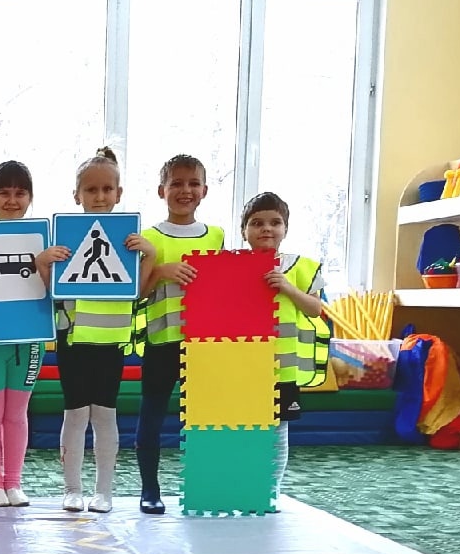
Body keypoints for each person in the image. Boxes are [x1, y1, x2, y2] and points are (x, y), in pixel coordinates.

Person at [0, 160, 69, 508]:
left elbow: (60, 294)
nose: (12, 200)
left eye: (20, 193)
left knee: (17, 415)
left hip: (28, 342)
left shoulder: (45, 243)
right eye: (3, 192)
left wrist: (46, 264)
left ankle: (14, 482)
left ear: (30, 198)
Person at [56, 148, 154, 513]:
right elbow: (52, 290)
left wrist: (150, 256)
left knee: (105, 415)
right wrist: (48, 262)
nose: (99, 197)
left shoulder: (129, 242)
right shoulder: (65, 239)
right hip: (73, 339)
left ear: (118, 193)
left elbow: (138, 292)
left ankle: (104, 492)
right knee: (75, 414)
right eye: (91, 189)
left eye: (107, 189)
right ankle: (72, 489)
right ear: (77, 195)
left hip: (111, 340)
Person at [135, 154, 225, 515]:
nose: (185, 191)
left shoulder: (216, 235)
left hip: (204, 344)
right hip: (162, 341)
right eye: (176, 183)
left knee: (205, 419)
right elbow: (137, 293)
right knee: (152, 416)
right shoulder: (148, 238)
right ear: (162, 190)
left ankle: (205, 487)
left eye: (193, 184)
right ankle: (150, 489)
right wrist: (160, 271)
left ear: (204, 190)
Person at [241, 191, 330, 498]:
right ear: (244, 230)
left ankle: (270, 490)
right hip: (242, 365)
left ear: (286, 228)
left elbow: (315, 309)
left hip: (282, 367)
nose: (266, 228)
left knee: (277, 431)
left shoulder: (302, 267)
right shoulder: (232, 266)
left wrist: (288, 288)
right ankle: (245, 485)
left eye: (275, 222)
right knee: (243, 429)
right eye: (257, 223)